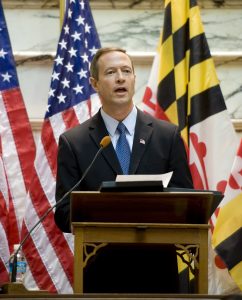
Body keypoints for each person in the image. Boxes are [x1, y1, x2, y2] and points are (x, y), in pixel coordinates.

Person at [54, 47, 194, 293]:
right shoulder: (73, 142)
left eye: (126, 71)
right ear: (94, 83)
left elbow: (187, 201)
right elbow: (64, 213)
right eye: (110, 72)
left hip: (158, 273)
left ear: (133, 80)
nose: (120, 78)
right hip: (101, 274)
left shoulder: (167, 136)